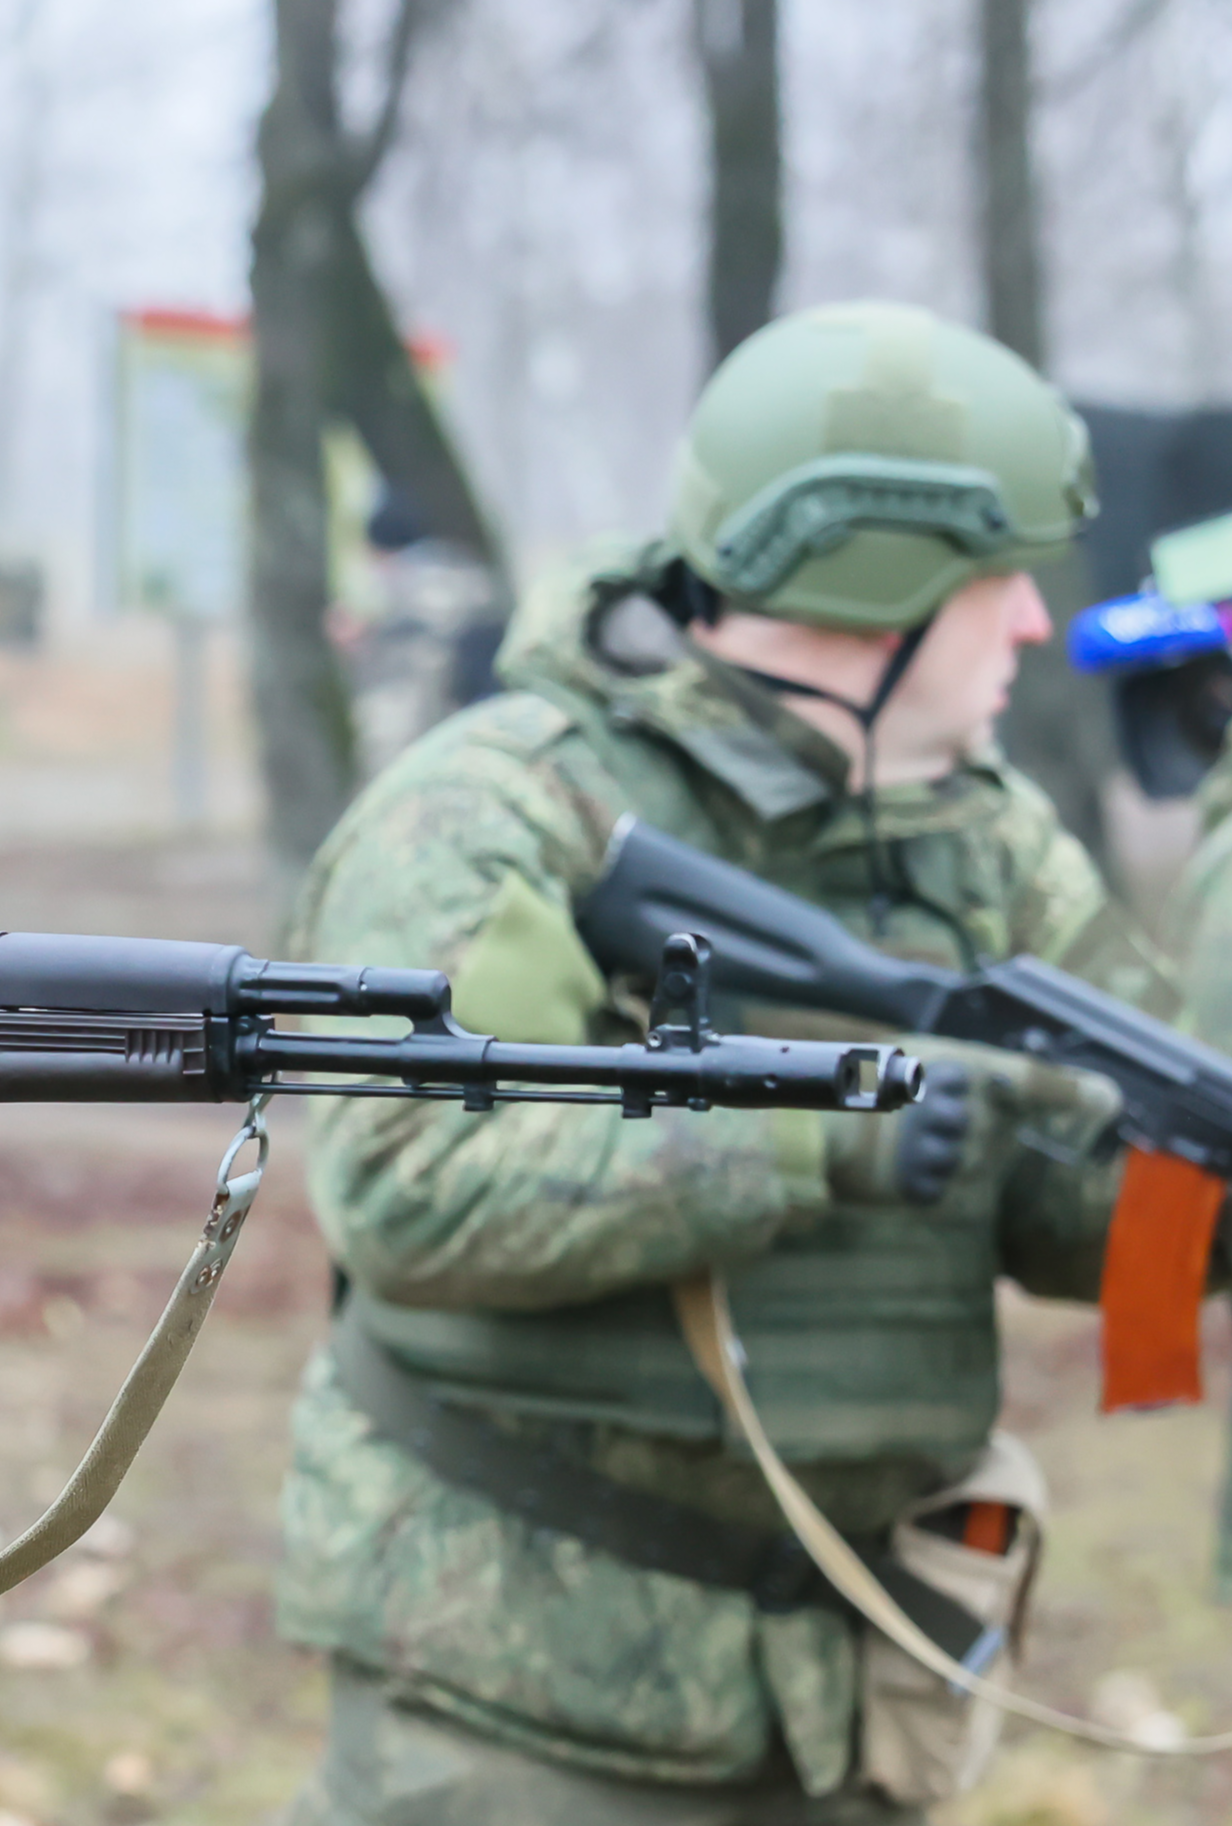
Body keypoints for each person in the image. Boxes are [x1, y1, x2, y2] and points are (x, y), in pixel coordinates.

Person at [277, 301, 1166, 1824]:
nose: (1032, 623)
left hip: (857, 1692)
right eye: (999, 577)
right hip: (519, 1707)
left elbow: (1093, 1221)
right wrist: (817, 1135)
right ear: (879, 577)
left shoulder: (984, 835)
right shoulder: (508, 810)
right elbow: (411, 1186)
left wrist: (1194, 1206)